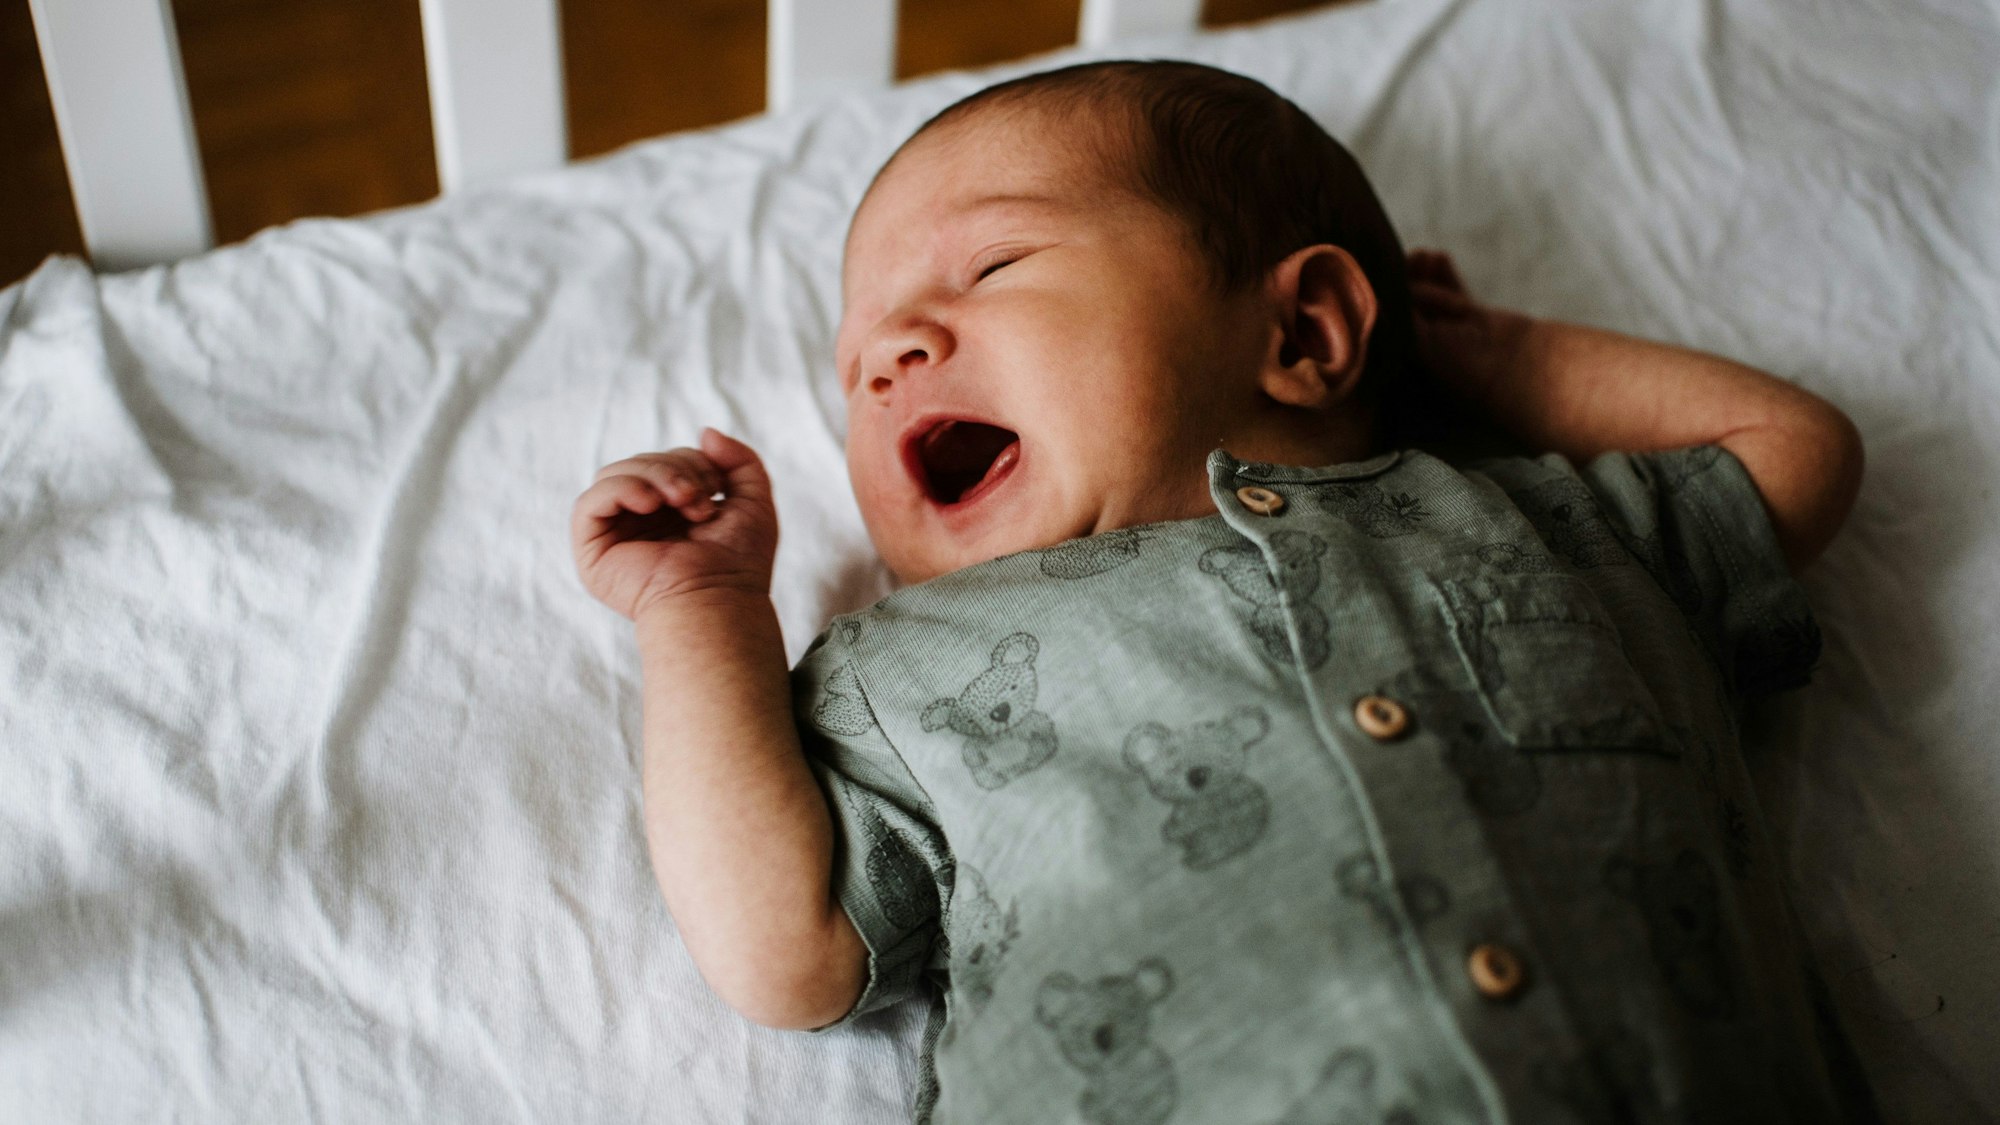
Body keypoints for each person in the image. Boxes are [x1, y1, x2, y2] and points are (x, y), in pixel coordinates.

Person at [569, 60, 1876, 1124]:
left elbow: (1793, 461)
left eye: (992, 267)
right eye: (858, 360)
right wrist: (701, 612)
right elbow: (786, 950)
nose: (891, 355)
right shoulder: (909, 663)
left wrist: (1497, 354)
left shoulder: (1528, 515)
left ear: (1303, 333)